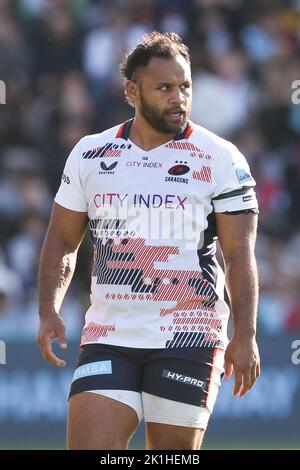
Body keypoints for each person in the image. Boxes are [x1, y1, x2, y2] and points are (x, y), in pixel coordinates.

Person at [37, 31, 260, 450]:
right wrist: (48, 309)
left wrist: (245, 334)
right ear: (132, 91)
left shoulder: (221, 157)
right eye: (164, 88)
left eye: (185, 87)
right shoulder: (90, 154)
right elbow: (62, 240)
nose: (179, 98)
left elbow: (238, 254)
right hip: (109, 333)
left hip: (189, 337)